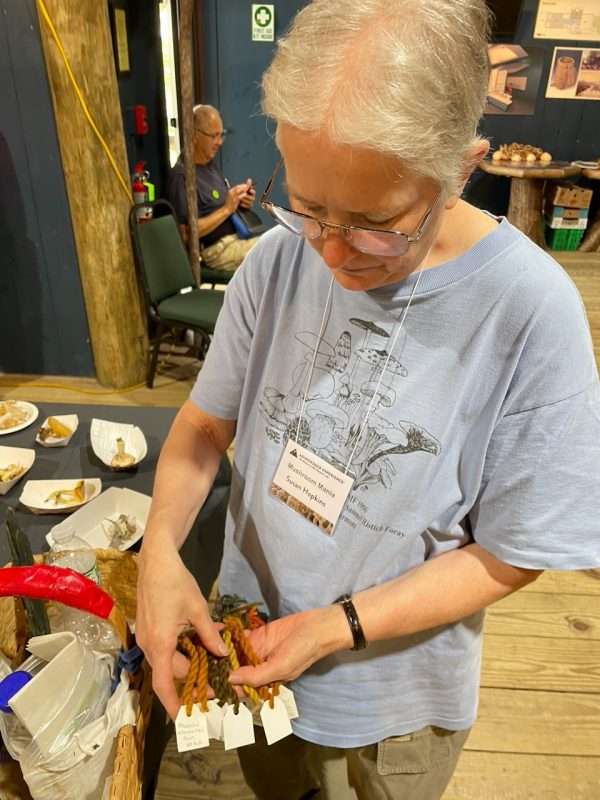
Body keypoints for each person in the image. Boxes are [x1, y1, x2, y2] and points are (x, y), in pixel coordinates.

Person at [138, 2, 600, 798]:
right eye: (309, 208)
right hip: (251, 653)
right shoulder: (277, 263)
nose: (332, 252)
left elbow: (513, 552)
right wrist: (159, 551)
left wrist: (336, 627)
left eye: (377, 224)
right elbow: (204, 425)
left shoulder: (530, 312)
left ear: (462, 167)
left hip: (395, 703)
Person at [167, 104, 260, 273]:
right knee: (273, 252)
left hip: (238, 236)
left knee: (283, 240)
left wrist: (241, 200)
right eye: (214, 136)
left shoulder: (209, 166)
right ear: (195, 135)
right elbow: (186, 235)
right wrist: (227, 208)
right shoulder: (182, 176)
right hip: (216, 250)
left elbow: (222, 205)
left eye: (221, 135)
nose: (219, 142)